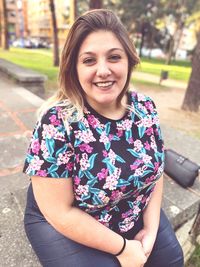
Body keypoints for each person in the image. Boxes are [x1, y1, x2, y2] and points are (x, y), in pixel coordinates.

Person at [23, 9, 184, 267]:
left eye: (114, 57)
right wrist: (123, 248)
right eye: (89, 60)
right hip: (64, 216)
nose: (103, 70)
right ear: (74, 68)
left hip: (127, 208)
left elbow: (157, 171)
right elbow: (59, 211)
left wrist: (151, 230)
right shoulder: (57, 122)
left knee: (173, 260)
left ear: (129, 61)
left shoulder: (145, 108)